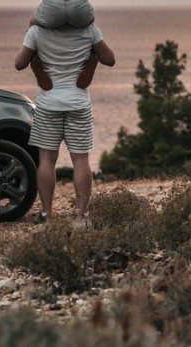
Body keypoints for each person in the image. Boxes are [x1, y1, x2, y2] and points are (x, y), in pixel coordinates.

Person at [14, 23, 115, 225]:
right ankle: (82, 215)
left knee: (47, 160)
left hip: (48, 103)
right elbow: (110, 59)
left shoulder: (37, 31)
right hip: (78, 102)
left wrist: (31, 30)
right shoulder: (89, 29)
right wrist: (92, 52)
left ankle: (47, 214)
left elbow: (19, 63)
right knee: (80, 160)